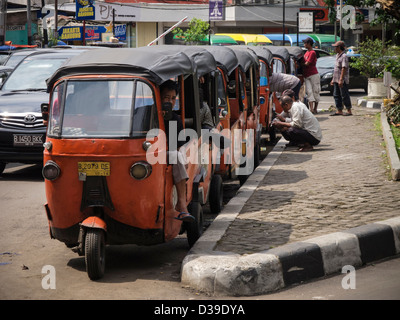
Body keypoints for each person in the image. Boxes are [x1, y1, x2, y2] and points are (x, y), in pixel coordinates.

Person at [160, 80, 194, 223]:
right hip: (143, 153)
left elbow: (176, 145)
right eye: (167, 98)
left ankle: (181, 202)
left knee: (178, 156)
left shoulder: (175, 119)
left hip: (165, 154)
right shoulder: (145, 112)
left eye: (173, 98)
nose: (171, 102)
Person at [330, 41, 352, 116]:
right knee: (336, 94)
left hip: (342, 79)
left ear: (339, 47)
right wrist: (333, 79)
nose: (334, 48)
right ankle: (339, 110)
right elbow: (335, 69)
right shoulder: (337, 55)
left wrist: (341, 79)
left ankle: (349, 110)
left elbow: (343, 68)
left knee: (344, 94)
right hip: (336, 78)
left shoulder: (344, 56)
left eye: (335, 47)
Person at [302, 37, 321, 114]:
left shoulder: (312, 52)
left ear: (309, 44)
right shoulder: (306, 53)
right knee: (309, 92)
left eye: (305, 43)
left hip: (313, 74)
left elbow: (307, 63)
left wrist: (301, 64)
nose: (304, 44)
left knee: (315, 91)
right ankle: (311, 109)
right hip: (307, 75)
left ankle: (315, 108)